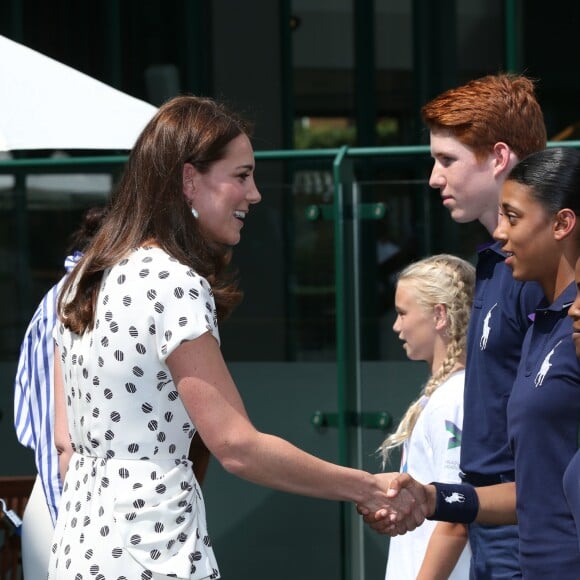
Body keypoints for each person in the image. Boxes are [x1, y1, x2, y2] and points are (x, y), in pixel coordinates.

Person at [47, 95, 423, 579]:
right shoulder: (171, 282)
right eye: (241, 176)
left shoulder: (84, 279)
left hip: (79, 548)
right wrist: (367, 487)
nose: (255, 194)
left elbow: (64, 444)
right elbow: (238, 447)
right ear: (188, 181)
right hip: (152, 551)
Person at [369, 147, 580, 579]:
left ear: (562, 223)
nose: (500, 233)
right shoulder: (543, 327)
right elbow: (534, 493)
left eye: (513, 217)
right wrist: (435, 499)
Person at [391, 73, 547, 579]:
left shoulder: (544, 268)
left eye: (447, 160)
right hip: (492, 526)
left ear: (499, 158)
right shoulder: (497, 265)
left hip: (531, 534)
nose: (434, 178)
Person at [14, 206, 106, 579]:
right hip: (72, 501)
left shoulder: (66, 298)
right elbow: (60, 444)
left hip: (76, 498)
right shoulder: (74, 303)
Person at [380, 254, 474, 580]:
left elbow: (456, 517)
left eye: (403, 313)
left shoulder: (454, 399)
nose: (396, 326)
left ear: (439, 315)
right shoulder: (443, 394)